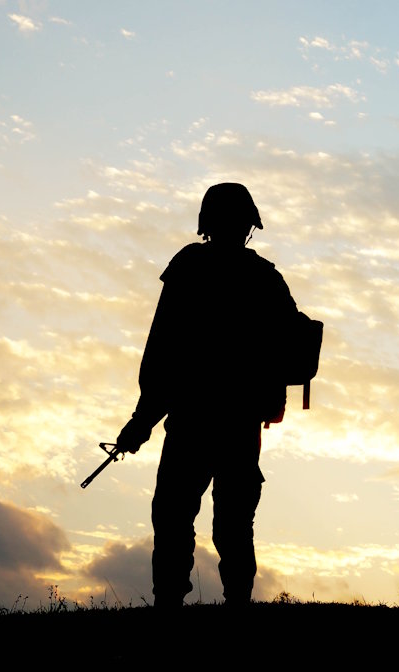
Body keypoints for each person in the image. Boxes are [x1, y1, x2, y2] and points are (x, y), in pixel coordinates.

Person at [114, 182, 299, 608]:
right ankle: (236, 604)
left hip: (193, 420)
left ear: (206, 223)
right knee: (231, 523)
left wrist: (143, 419)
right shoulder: (266, 277)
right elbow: (291, 340)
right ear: (248, 225)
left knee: (175, 515)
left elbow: (163, 349)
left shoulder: (189, 268)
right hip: (240, 423)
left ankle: (170, 605)